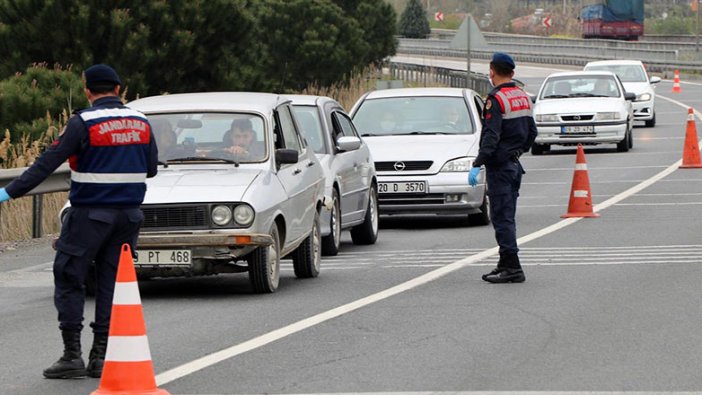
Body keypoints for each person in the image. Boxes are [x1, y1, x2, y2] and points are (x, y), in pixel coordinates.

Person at [0, 64, 158, 378]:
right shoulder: (142, 121)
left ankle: (71, 354)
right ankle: (100, 356)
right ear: (118, 89)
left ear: (88, 90)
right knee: (111, 283)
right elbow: (151, 168)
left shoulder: (83, 122)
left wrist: (7, 194)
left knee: (69, 276)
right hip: (129, 217)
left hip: (90, 216)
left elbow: (46, 164)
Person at [468, 52, 537, 284]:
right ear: (512, 73)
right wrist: (517, 152)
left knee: (502, 218)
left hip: (500, 168)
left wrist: (478, 163)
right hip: (514, 165)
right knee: (506, 216)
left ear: (492, 71)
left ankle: (513, 267)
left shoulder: (495, 100)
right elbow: (532, 133)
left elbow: (491, 135)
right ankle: (505, 262)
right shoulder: (522, 96)